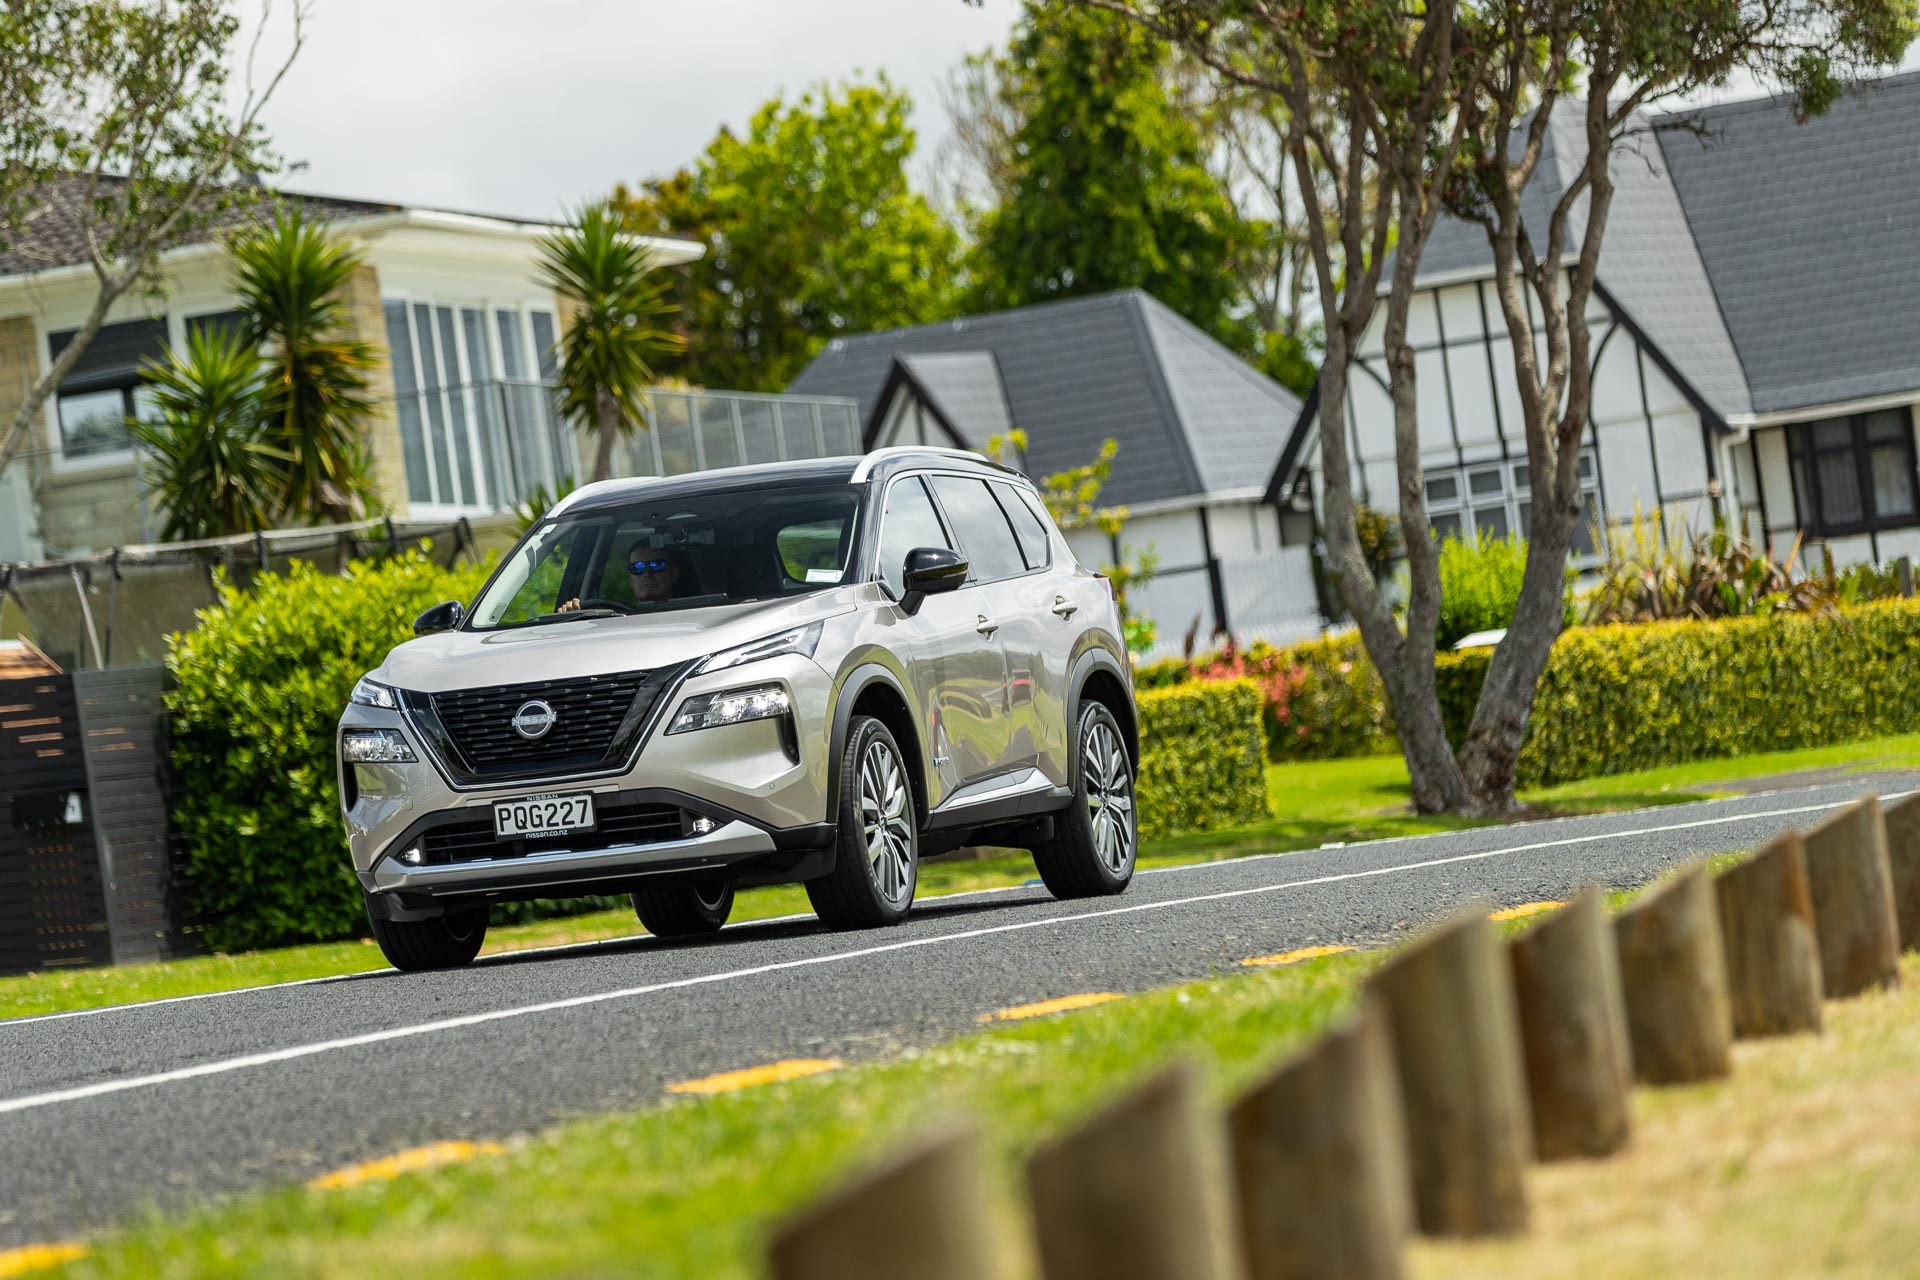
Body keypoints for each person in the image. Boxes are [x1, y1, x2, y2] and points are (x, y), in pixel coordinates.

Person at [557, 541, 684, 612]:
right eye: (637, 567)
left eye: (656, 565)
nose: (647, 573)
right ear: (630, 580)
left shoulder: (694, 616)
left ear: (674, 574)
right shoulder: (610, 620)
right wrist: (570, 613)